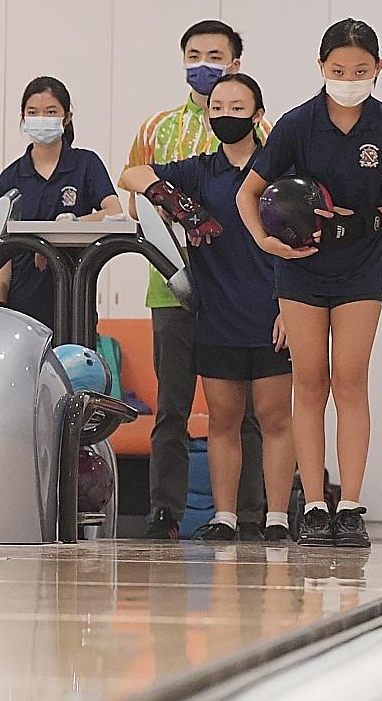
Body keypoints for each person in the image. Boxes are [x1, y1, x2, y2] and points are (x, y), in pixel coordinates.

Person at [238, 18, 382, 548]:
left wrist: (359, 222)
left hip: (361, 266)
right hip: (300, 269)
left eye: (361, 70)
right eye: (338, 69)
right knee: (309, 381)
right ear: (321, 68)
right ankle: (314, 504)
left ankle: (351, 505)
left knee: (351, 379)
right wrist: (267, 243)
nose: (349, 78)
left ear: (379, 69)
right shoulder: (296, 125)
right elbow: (247, 194)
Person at [120, 73, 294, 543]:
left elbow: (299, 242)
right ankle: (225, 517)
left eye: (238, 107)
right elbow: (133, 174)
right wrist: (172, 199)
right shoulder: (199, 169)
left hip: (272, 311)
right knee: (223, 421)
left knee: (275, 419)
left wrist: (289, 308)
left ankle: (276, 517)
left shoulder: (277, 168)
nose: (226, 116)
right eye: (217, 107)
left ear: (258, 115)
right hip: (215, 311)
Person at [0, 77, 121, 328]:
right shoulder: (11, 177)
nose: (42, 118)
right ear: (23, 117)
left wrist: (69, 224)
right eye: (33, 112)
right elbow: (2, 252)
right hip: (22, 305)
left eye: (51, 112)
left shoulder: (85, 164)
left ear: (67, 117)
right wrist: (0, 306)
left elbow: (113, 211)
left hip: (74, 300)